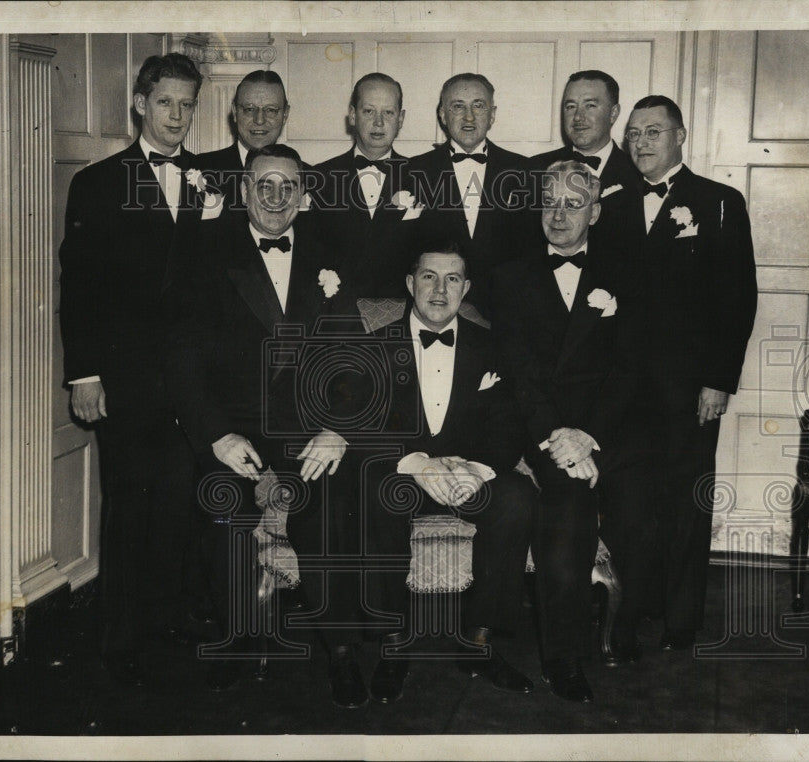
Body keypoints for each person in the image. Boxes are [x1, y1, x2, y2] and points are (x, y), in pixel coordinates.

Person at [165, 144, 369, 708]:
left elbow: (355, 358)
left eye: (288, 188)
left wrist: (338, 429)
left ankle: (344, 654)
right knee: (219, 500)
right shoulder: (208, 253)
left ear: (304, 196)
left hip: (310, 430)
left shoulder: (331, 256)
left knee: (330, 505)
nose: (276, 199)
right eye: (264, 186)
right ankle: (237, 640)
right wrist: (215, 435)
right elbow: (182, 357)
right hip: (237, 431)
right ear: (244, 191)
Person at [58, 53, 207, 686]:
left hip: (188, 378)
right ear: (141, 104)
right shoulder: (97, 182)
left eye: (187, 105)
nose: (177, 115)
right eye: (166, 102)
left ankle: (164, 616)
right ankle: (119, 638)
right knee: (128, 503)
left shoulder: (208, 179)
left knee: (177, 499)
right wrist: (84, 373)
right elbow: (81, 288)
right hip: (123, 376)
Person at [491, 160, 655, 703]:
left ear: (596, 211)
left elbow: (630, 367)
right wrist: (558, 439)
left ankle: (625, 631)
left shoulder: (626, 273)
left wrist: (587, 435)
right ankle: (563, 659)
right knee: (567, 504)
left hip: (604, 428)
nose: (559, 214)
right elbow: (520, 374)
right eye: (550, 202)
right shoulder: (511, 276)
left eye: (574, 203)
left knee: (641, 504)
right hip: (542, 430)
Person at [358, 243, 538, 704]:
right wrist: (417, 464)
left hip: (466, 475)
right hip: (405, 474)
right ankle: (394, 642)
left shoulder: (494, 348)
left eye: (452, 278)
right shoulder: (374, 347)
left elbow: (510, 424)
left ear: (467, 288)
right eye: (429, 277)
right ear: (409, 283)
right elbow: (362, 425)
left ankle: (477, 640)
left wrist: (476, 471)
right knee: (374, 491)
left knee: (516, 496)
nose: (440, 289)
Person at [622, 95, 757, 651]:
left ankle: (680, 619)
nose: (642, 142)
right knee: (633, 500)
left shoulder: (719, 201)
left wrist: (718, 380)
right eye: (633, 133)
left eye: (654, 131)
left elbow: (737, 298)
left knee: (684, 500)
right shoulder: (610, 199)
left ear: (682, 136)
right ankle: (637, 604)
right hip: (624, 386)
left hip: (688, 387)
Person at [403, 73, 532, 318]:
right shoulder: (411, 171)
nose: (469, 117)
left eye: (478, 106)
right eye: (458, 106)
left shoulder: (524, 171)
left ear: (492, 114)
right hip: (435, 313)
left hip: (506, 313)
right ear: (442, 114)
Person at [311, 73, 413, 299]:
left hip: (400, 314)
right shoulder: (320, 177)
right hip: (336, 314)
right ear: (352, 115)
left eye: (388, 112)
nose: (379, 122)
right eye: (368, 111)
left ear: (401, 118)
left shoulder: (422, 176)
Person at [531, 70, 641, 248]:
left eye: (590, 106)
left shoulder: (638, 173)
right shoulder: (534, 168)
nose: (578, 117)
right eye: (571, 107)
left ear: (613, 113)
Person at [193, 69, 290, 209]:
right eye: (249, 109)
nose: (259, 120)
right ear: (234, 112)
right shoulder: (200, 169)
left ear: (285, 115)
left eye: (271, 110)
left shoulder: (306, 177)